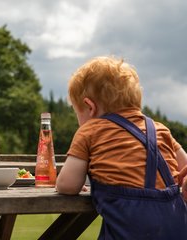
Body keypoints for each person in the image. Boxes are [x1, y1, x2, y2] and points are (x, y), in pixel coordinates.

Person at [55, 56, 187, 239]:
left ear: (89, 107)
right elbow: (185, 167)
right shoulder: (160, 130)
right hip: (175, 226)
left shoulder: (89, 131)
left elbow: (67, 185)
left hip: (127, 229)